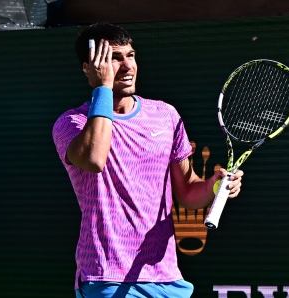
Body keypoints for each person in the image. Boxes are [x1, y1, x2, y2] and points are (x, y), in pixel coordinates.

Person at [52, 22, 243, 298]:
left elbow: (188, 193)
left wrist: (215, 186)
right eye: (114, 59)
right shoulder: (71, 123)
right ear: (89, 68)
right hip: (106, 277)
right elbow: (94, 158)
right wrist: (103, 88)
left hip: (166, 278)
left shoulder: (165, 115)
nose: (127, 66)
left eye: (130, 55)